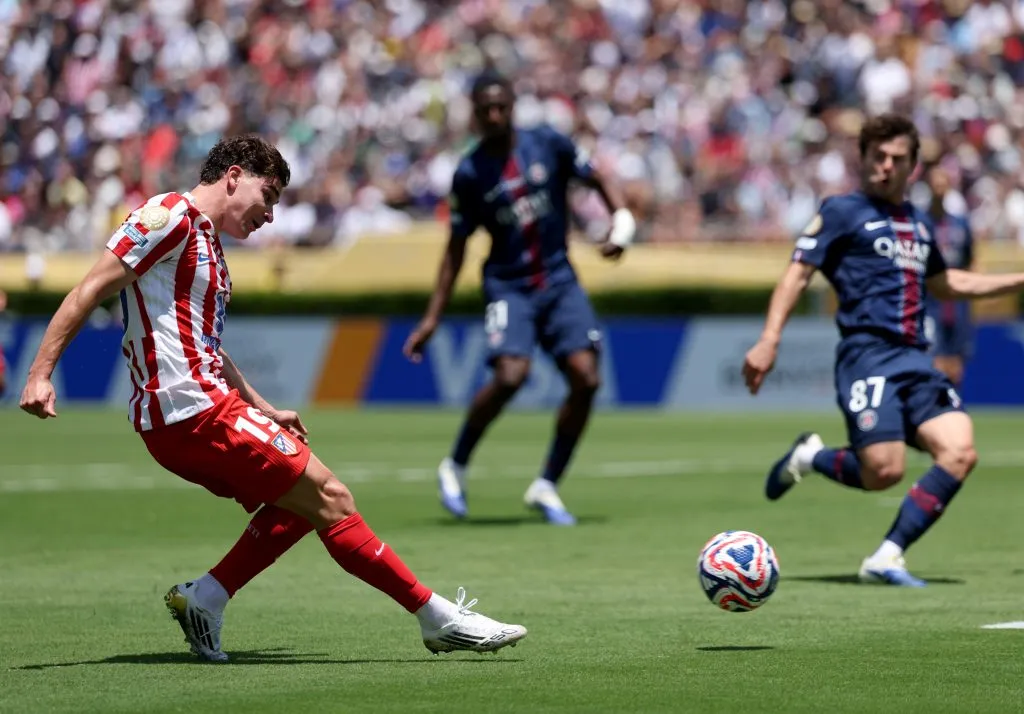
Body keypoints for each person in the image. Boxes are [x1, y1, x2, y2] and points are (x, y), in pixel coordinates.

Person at [19, 134, 526, 661]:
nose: (271, 214)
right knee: (331, 496)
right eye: (269, 195)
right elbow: (89, 288)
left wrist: (262, 408)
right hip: (189, 408)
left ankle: (206, 598)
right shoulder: (167, 215)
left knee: (300, 504)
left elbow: (209, 347)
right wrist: (40, 373)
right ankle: (439, 619)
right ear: (234, 175)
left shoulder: (208, 244)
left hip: (201, 408)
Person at [742, 113, 1024, 587]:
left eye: (896, 158)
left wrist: (1017, 279)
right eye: (878, 157)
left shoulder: (918, 222)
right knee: (883, 471)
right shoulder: (841, 212)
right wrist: (769, 339)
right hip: (867, 355)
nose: (885, 166)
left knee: (960, 451)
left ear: (912, 166)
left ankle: (886, 557)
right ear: (865, 159)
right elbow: (798, 273)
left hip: (918, 359)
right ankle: (810, 457)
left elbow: (946, 282)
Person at [403, 72, 636, 526]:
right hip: (509, 286)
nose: (494, 115)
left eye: (501, 106)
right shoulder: (469, 173)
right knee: (511, 375)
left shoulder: (547, 143)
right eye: (485, 108)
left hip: (559, 280)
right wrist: (432, 318)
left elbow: (598, 176)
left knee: (586, 379)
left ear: (513, 106)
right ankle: (456, 463)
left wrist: (621, 221)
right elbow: (456, 250)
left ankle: (546, 484)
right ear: (474, 113)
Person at [922, 166, 974, 387]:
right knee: (934, 361)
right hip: (930, 302)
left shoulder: (960, 223)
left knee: (957, 363)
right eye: (935, 184)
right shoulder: (921, 223)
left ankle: (953, 408)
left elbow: (970, 259)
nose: (939, 189)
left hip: (957, 303)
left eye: (943, 184)